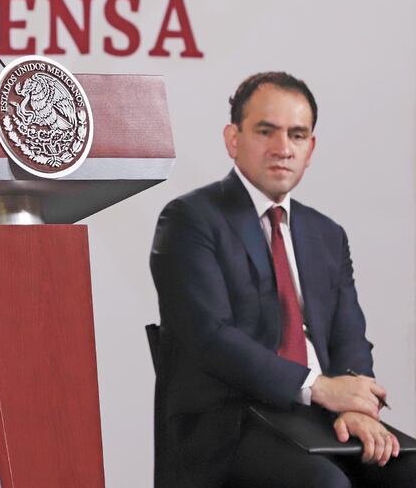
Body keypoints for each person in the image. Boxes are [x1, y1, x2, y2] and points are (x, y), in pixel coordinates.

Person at [150, 72, 416, 487]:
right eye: (266, 131)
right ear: (233, 139)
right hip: (231, 424)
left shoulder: (327, 234)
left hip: (322, 418)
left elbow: (350, 337)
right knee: (323, 483)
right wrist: (319, 387)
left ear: (311, 149)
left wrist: (356, 406)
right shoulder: (190, 220)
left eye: (297, 135)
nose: (282, 149)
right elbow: (210, 338)